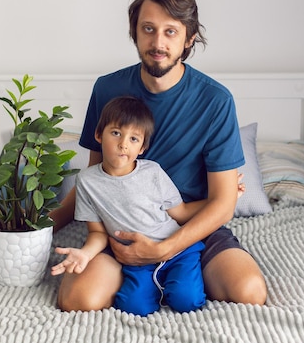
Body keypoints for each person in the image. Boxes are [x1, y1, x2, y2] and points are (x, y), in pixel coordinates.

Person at [51, 0, 267, 311]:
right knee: (76, 298)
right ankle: (140, 280)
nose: (157, 42)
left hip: (194, 231)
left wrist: (162, 249)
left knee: (249, 291)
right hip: (121, 226)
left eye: (170, 32)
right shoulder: (108, 89)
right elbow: (94, 179)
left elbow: (223, 204)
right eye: (148, 29)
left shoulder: (215, 100)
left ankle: (173, 272)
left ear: (188, 38)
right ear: (134, 33)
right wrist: (34, 228)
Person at [51, 96, 207, 316]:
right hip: (136, 259)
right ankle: (155, 285)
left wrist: (221, 199)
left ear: (142, 147)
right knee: (134, 307)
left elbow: (181, 213)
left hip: (177, 251)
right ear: (98, 135)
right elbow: (97, 232)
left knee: (187, 301)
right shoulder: (87, 181)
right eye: (116, 133)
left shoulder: (153, 172)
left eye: (134, 139)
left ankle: (180, 280)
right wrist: (86, 254)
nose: (123, 143)